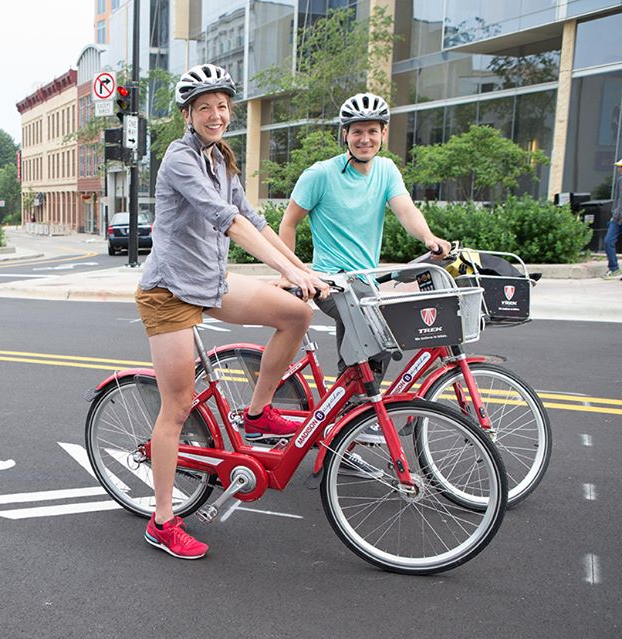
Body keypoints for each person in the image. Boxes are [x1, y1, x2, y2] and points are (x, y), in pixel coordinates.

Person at [136, 64, 329, 560]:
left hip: (211, 282)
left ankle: (260, 413)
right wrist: (289, 269)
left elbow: (256, 221)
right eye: (205, 108)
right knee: (178, 407)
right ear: (188, 114)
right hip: (170, 293)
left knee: (295, 314)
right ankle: (162, 521)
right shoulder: (179, 160)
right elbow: (228, 223)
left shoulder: (222, 158)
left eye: (222, 106)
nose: (216, 115)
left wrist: (300, 271)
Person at [278, 92, 451, 445]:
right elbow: (288, 224)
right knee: (374, 331)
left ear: (383, 134)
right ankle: (349, 418)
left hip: (364, 283)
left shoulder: (386, 170)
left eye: (372, 131)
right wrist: (290, 272)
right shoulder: (321, 175)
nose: (365, 139)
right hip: (330, 281)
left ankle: (348, 418)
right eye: (357, 131)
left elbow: (405, 210)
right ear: (345, 134)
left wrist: (428, 237)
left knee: (378, 342)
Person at [601, 158, 622, 279]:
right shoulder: (620, 180)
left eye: (620, 167)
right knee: (608, 241)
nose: (619, 169)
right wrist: (615, 214)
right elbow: (619, 200)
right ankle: (614, 268)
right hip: (617, 218)